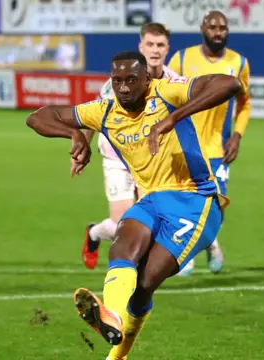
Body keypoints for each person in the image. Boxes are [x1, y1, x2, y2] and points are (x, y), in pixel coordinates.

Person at [26, 51, 242, 360]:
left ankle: (116, 356)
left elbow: (229, 83)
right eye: (117, 81)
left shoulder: (166, 91)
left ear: (147, 79)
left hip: (196, 202)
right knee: (121, 247)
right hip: (151, 201)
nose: (124, 88)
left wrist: (173, 117)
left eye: (131, 80)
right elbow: (37, 117)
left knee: (146, 283)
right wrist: (74, 133)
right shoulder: (105, 111)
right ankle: (110, 315)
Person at [79, 23, 179, 270]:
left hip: (152, 162)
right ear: (140, 46)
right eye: (150, 44)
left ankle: (135, 274)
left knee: (150, 224)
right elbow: (95, 114)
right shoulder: (120, 81)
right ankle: (94, 234)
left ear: (168, 49)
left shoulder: (173, 82)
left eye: (160, 45)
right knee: (120, 225)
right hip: (118, 158)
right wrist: (82, 146)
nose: (154, 50)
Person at [167, 10, 251, 276]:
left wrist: (237, 135)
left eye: (223, 27)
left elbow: (245, 103)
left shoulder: (238, 63)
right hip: (184, 146)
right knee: (184, 201)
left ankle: (211, 242)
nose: (218, 32)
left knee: (215, 206)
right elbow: (168, 98)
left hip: (218, 148)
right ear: (203, 28)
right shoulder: (181, 59)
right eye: (213, 27)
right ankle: (189, 254)